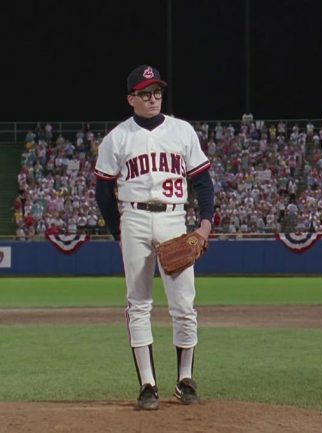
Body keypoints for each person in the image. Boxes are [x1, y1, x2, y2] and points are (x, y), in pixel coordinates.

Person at [94, 65, 214, 410]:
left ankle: (185, 379)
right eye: (145, 93)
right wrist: (118, 230)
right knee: (138, 303)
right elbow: (103, 191)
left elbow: (203, 182)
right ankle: (148, 384)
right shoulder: (117, 137)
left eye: (157, 91)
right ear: (131, 98)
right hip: (133, 217)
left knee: (184, 304)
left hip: (174, 218)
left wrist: (204, 225)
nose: (153, 98)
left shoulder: (182, 131)